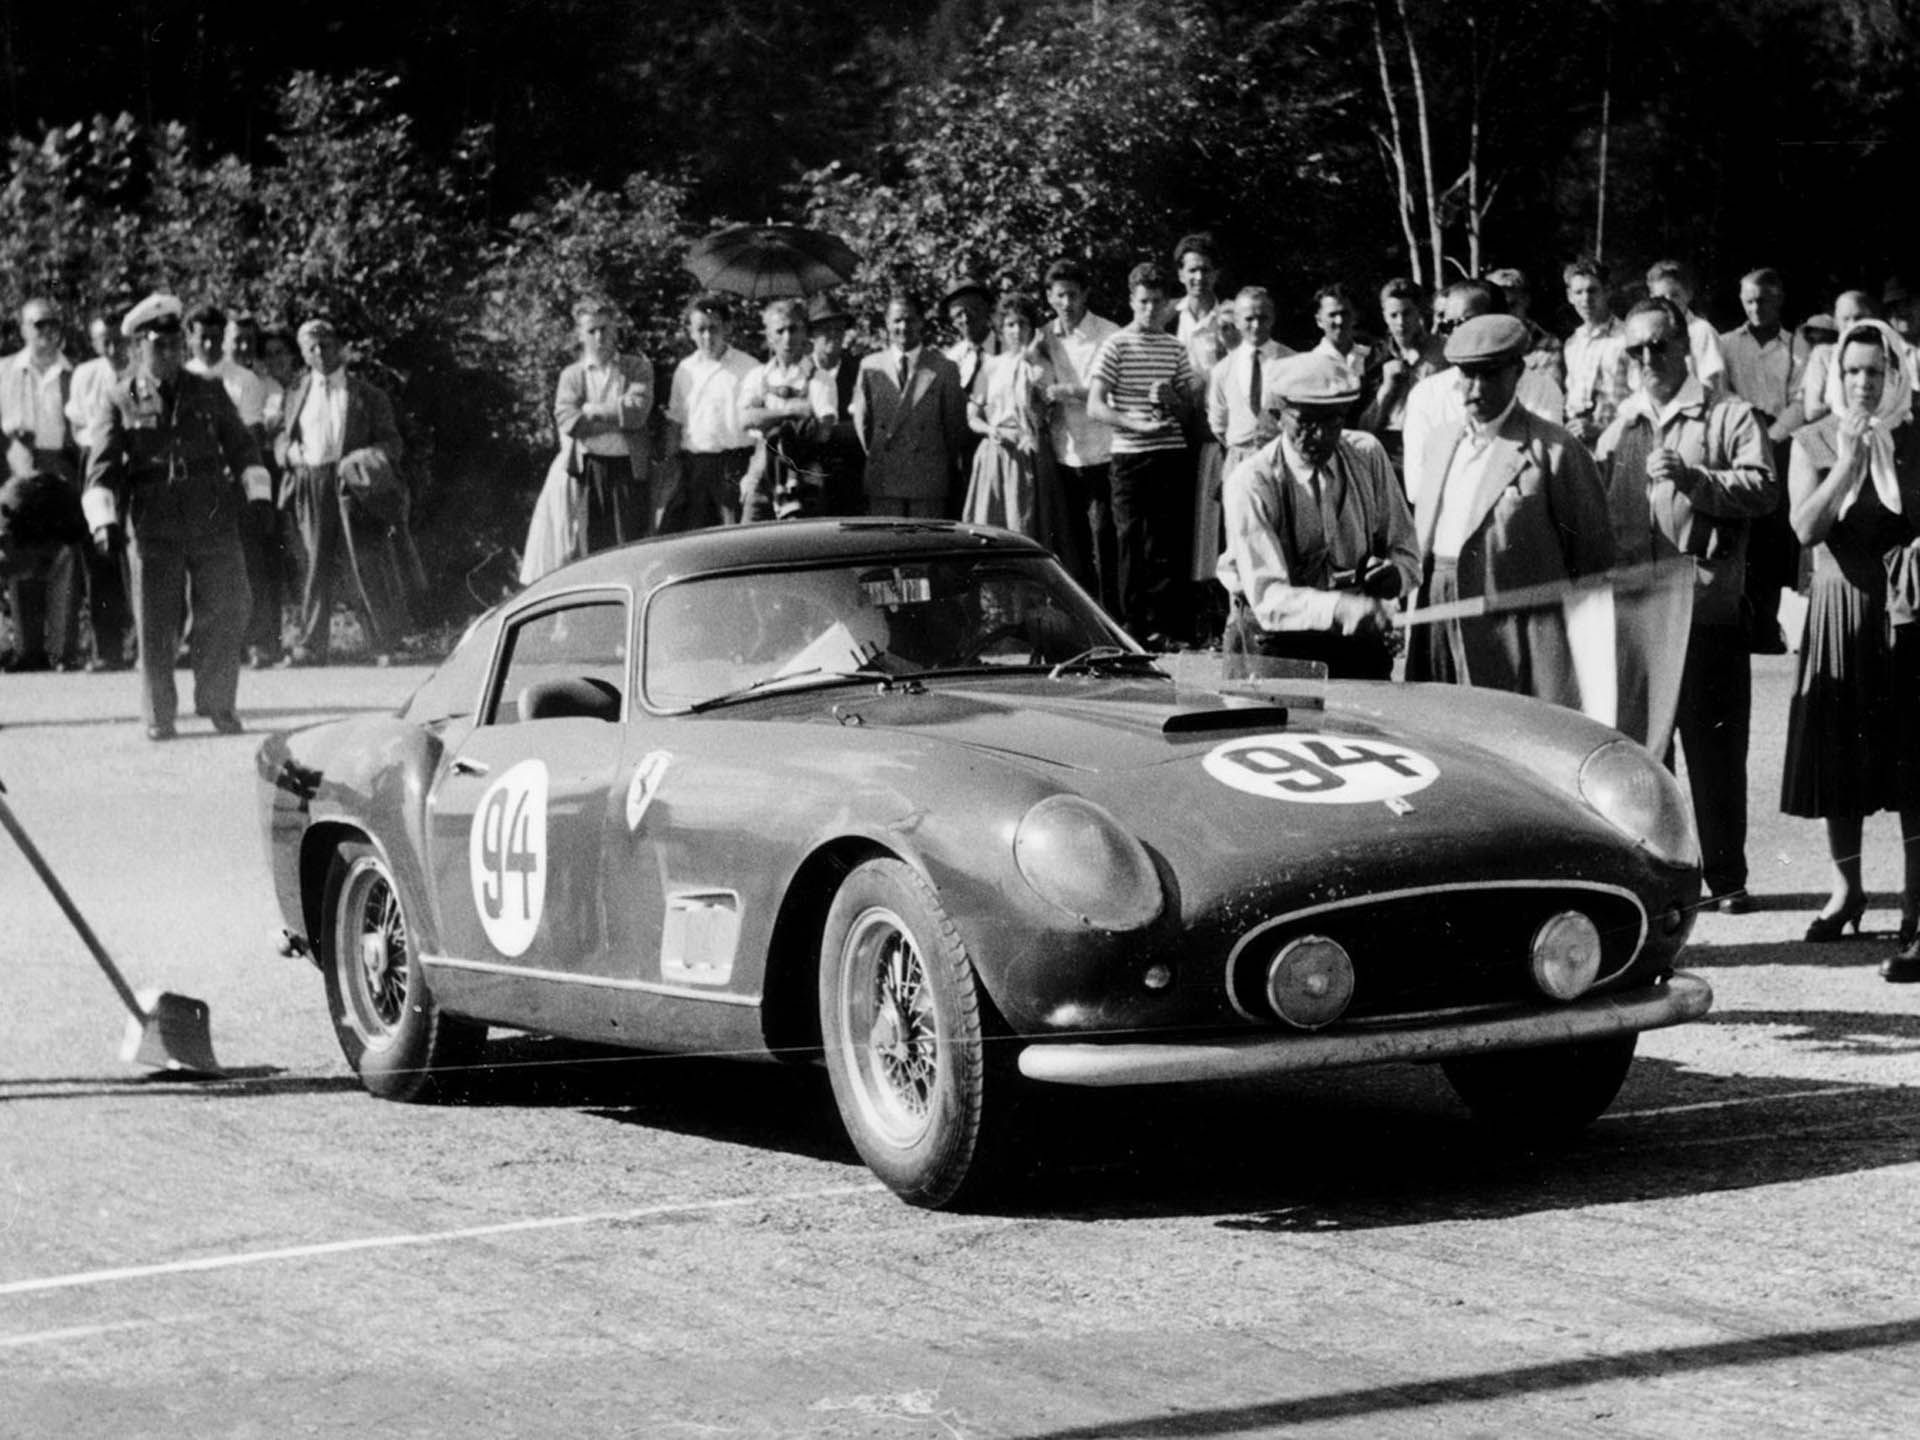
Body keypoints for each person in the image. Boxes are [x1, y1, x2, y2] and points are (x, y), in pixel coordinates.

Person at [1597, 296, 1776, 913]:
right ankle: (1659, 881)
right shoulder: (1623, 420)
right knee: (1645, 754)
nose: (1649, 358)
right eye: (1636, 350)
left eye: (1659, 346)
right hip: (1637, 616)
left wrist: (1697, 479)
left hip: (1706, 613)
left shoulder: (1727, 416)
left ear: (1684, 347)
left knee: (1716, 750)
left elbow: (1765, 489)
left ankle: (1727, 879)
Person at [1779, 319, 1920, 975]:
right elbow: (1805, 527)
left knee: (1912, 768)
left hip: (1905, 617)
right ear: (1838, 377)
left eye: (1875, 371)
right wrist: (1849, 464)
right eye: (1853, 372)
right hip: (1838, 613)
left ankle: (1916, 906)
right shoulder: (1811, 440)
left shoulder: (1915, 438)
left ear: (1895, 374)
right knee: (1840, 765)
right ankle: (1848, 891)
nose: (1864, 383)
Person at [82, 293, 270, 739]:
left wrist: (257, 493)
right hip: (153, 517)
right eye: (157, 345)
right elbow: (101, 466)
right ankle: (158, 714)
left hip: (210, 511)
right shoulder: (119, 395)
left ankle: (219, 703)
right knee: (155, 619)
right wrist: (103, 520)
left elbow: (241, 444)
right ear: (137, 348)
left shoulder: (206, 389)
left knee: (228, 605)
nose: (168, 354)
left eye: (173, 344)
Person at [1407, 314, 1614, 707]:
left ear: (1517, 372)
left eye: (1490, 375)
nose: (1477, 388)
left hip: (1512, 630)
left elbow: (1592, 560)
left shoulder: (1555, 450)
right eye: (1467, 375)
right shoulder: (1441, 442)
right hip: (1436, 610)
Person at [1217, 353, 1418, 679]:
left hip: (1354, 642)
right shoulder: (1252, 481)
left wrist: (1398, 574)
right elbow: (1269, 597)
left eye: (1333, 420)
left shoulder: (1367, 455)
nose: (1321, 435)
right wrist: (1341, 607)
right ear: (1277, 415)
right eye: (1306, 421)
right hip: (1272, 644)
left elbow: (1406, 549)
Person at [275, 318, 409, 667]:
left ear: (340, 347)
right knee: (313, 564)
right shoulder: (295, 393)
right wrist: (288, 455)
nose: (320, 353)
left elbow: (391, 442)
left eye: (326, 345)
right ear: (303, 353)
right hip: (311, 483)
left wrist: (365, 459)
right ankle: (310, 645)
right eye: (311, 347)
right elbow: (281, 437)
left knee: (362, 561)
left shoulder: (367, 394)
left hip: (354, 486)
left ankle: (382, 643)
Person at [1087, 261, 1194, 646]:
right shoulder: (1115, 345)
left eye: (1157, 302)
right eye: (1143, 302)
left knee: (1165, 543)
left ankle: (1164, 627)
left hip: (1169, 453)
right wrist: (1137, 424)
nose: (1150, 310)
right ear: (1132, 301)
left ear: (1167, 304)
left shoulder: (1175, 348)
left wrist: (1173, 400)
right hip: (1130, 456)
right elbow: (1095, 406)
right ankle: (1131, 628)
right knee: (1129, 541)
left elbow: (1188, 412)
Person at [1718, 268, 1808, 655]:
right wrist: (1746, 430)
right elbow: (1721, 391)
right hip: (1738, 442)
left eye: (1765, 300)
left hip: (1780, 443)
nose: (1757, 308)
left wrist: (1771, 436)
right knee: (1739, 535)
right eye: (1750, 300)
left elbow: (1802, 398)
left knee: (1772, 540)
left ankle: (1767, 626)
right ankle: (1738, 622)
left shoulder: (1796, 346)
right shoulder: (1725, 344)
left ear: (1779, 300)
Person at [0, 298, 79, 671]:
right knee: (17, 557)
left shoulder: (73, 372)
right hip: (17, 469)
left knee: (63, 557)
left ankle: (62, 650)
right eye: (39, 324)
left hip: (59, 467)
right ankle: (28, 650)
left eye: (53, 324)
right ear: (23, 330)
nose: (48, 332)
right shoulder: (5, 371)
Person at [1036, 258, 1121, 604]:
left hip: (1104, 449)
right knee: (1072, 544)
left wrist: (1069, 391)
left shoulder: (1109, 333)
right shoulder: (1042, 337)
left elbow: (1113, 391)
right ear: (1050, 298)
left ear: (1085, 294)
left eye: (1073, 295)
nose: (1067, 304)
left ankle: (1113, 616)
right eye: (1060, 296)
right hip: (1063, 451)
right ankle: (1083, 618)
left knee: (1105, 539)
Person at [961, 292, 1067, 557]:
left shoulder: (1041, 366)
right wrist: (992, 430)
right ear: (1000, 328)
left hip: (1029, 453)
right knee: (994, 527)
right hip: (996, 455)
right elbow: (972, 416)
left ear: (1031, 328)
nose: (1016, 330)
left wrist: (1030, 361)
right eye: (1010, 324)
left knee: (1029, 524)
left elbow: (1040, 409)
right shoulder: (990, 367)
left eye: (1022, 324)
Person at [851, 292, 967, 519]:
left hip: (927, 480)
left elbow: (954, 428)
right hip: (884, 478)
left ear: (921, 321)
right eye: (897, 320)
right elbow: (864, 425)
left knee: (924, 548)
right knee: (886, 548)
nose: (903, 327)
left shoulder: (943, 368)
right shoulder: (870, 367)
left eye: (910, 320)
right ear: (886, 322)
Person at [554, 299, 654, 546]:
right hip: (590, 469)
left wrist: (591, 411)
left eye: (605, 329)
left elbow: (637, 413)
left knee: (630, 546)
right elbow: (569, 420)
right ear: (580, 335)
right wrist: (617, 418)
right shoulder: (572, 375)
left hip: (628, 469)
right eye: (591, 331)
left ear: (615, 330)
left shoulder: (636, 368)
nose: (599, 336)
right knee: (592, 548)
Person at [62, 314, 132, 669]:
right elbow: (77, 424)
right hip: (95, 463)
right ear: (94, 342)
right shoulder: (85, 374)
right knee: (99, 556)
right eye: (105, 340)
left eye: (119, 339)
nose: (113, 348)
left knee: (135, 557)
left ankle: (145, 646)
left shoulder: (141, 374)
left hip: (134, 461)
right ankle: (107, 649)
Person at [658, 293, 757, 532]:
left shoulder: (750, 367)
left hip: (735, 465)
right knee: (695, 538)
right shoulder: (685, 369)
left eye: (714, 329)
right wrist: (670, 470)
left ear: (727, 328)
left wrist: (752, 474)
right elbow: (676, 421)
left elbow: (760, 428)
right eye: (700, 329)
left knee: (734, 538)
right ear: (691, 332)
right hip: (695, 467)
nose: (707, 337)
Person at [738, 298, 816, 521]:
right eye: (779, 331)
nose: (787, 338)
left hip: (803, 474)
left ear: (804, 333)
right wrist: (789, 413)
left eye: (794, 329)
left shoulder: (817, 377)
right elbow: (746, 420)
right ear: (769, 337)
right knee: (750, 545)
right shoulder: (757, 376)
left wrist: (767, 415)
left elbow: (819, 429)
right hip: (761, 473)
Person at [1358, 277, 1446, 470]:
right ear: (1384, 316)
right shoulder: (1377, 356)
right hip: (1389, 450)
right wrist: (1388, 388)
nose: (1401, 322)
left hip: (1433, 444)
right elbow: (1364, 427)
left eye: (1407, 313)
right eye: (1394, 315)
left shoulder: (1441, 352)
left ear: (1419, 313)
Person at [802, 293, 865, 515]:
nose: (834, 335)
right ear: (811, 335)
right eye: (825, 329)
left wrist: (825, 430)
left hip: (850, 476)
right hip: (806, 477)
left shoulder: (859, 371)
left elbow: (867, 425)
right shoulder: (799, 372)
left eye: (839, 329)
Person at [1562, 257, 1630, 446]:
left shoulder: (1627, 339)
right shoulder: (1572, 344)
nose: (1586, 299)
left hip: (1618, 441)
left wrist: (1602, 430)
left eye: (1593, 290)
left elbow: (1640, 399)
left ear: (1607, 291)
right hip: (1579, 445)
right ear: (1570, 296)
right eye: (1579, 292)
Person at [1646, 260, 1729, 401]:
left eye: (1675, 295)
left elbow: (1712, 387)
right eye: (1660, 297)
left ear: (1688, 294)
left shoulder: (1701, 331)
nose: (1668, 302)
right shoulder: (1649, 334)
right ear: (1652, 298)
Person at [1483, 265, 1567, 392]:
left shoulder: (1547, 345)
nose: (1506, 314)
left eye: (1512, 305)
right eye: (1499, 307)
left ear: (1526, 301)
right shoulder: (1482, 343)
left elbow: (1550, 393)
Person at [1307, 283, 1372, 396]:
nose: (1339, 321)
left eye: (1345, 314)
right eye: (1332, 315)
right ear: (1319, 321)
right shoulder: (1310, 365)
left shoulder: (1371, 357)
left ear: (1355, 316)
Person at [1169, 232, 1222, 354]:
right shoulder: (1167, 316)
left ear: (1216, 274)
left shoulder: (1231, 318)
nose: (1199, 277)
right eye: (1192, 270)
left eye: (1205, 270)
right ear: (1181, 275)